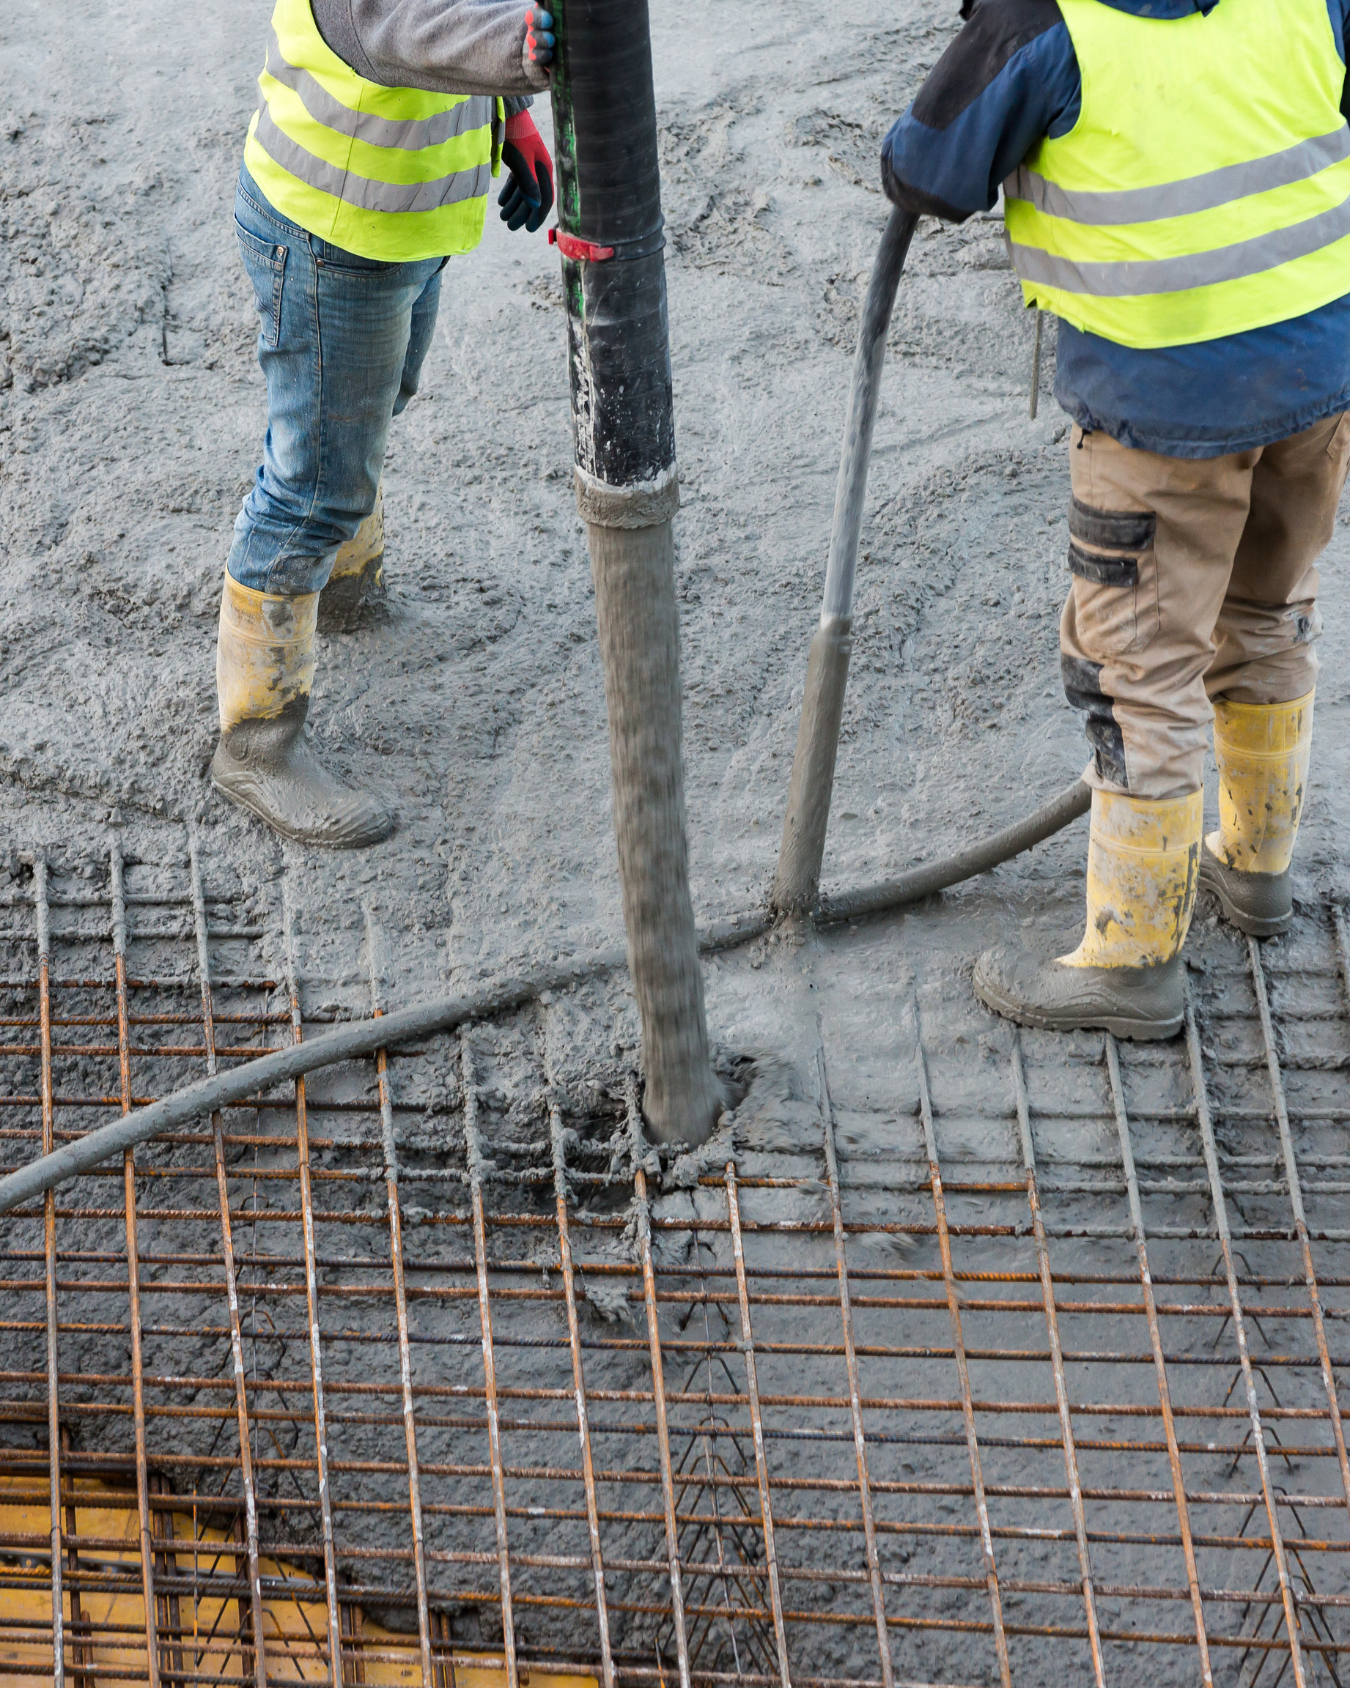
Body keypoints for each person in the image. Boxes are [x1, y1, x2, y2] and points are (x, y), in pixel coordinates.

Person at [880, 0, 1350, 1039]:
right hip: (1317, 374)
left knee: (1140, 671)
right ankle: (1255, 867)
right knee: (1268, 610)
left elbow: (925, 169)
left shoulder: (1046, 24)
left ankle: (1134, 961)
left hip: (1162, 413)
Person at [213, 0, 558, 847]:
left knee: (371, 410)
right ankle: (256, 745)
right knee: (314, 487)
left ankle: (341, 588)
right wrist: (516, 51)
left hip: (400, 223)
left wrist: (509, 111)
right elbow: (391, 22)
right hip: (332, 232)